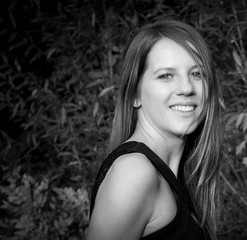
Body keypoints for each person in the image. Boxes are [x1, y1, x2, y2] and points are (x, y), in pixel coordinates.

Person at [87, 19, 222, 240]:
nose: (187, 88)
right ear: (134, 95)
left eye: (197, 74)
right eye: (166, 75)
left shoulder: (175, 178)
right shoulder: (134, 172)